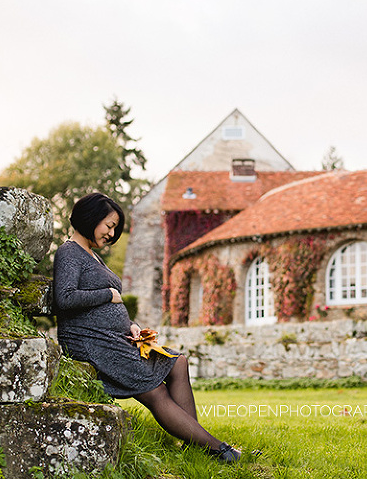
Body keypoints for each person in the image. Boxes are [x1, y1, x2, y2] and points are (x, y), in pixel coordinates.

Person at [53, 192, 240, 462]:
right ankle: (218, 450)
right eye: (109, 225)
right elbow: (65, 299)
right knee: (156, 391)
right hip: (92, 343)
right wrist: (108, 294)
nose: (112, 232)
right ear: (90, 218)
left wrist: (131, 325)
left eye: (114, 227)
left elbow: (104, 306)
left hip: (114, 337)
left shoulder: (90, 255)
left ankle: (195, 442)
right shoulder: (69, 252)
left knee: (178, 363)